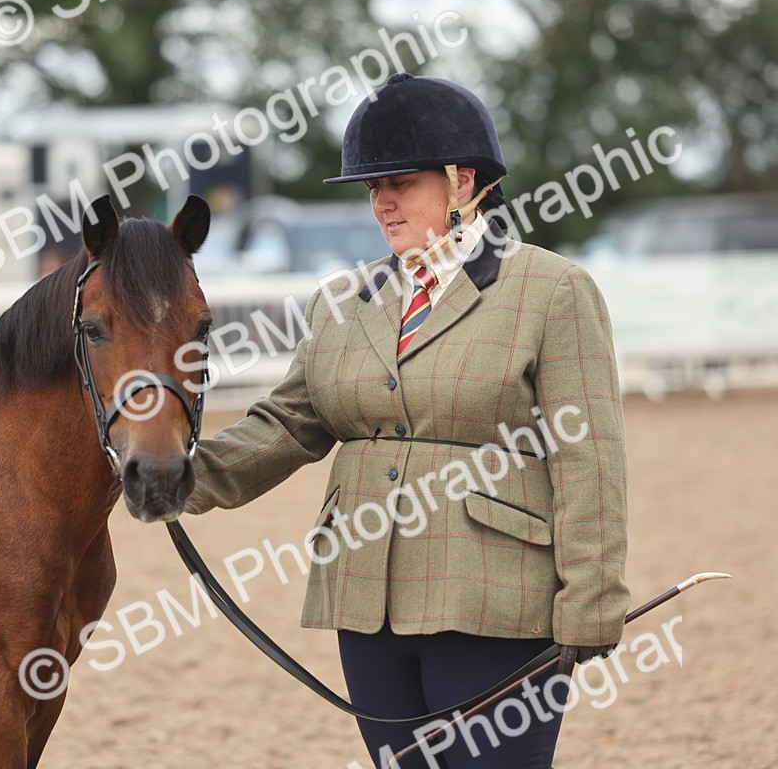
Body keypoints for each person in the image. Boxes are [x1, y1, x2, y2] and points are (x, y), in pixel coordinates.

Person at [183, 72, 630, 768]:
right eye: (372, 188)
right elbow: (290, 423)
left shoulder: (551, 291)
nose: (382, 203)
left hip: (493, 600)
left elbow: (590, 454)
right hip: (365, 600)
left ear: (463, 181)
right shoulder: (341, 303)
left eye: (400, 183)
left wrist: (593, 597)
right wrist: (184, 477)